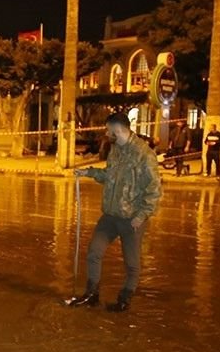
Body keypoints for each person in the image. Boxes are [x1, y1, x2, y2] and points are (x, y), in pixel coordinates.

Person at [67, 112, 163, 313]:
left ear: (117, 130)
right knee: (94, 252)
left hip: (132, 219)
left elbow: (154, 189)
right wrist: (89, 172)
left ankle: (124, 299)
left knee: (132, 263)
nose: (106, 133)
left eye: (107, 130)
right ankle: (92, 294)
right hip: (110, 215)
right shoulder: (115, 150)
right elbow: (109, 175)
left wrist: (142, 215)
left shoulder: (144, 155)